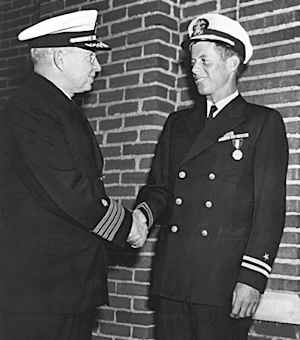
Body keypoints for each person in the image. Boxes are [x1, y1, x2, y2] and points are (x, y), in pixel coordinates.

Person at [135, 13, 289, 340]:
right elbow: (159, 188)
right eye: (192, 61)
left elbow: (269, 209)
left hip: (223, 281)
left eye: (204, 60)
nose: (194, 69)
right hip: (173, 276)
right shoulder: (178, 124)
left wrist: (252, 278)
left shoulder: (262, 123)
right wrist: (141, 217)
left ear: (232, 62)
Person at [0, 10, 147, 340]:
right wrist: (127, 226)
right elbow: (69, 190)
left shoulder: (59, 108)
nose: (98, 65)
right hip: (38, 291)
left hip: (65, 285)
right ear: (61, 57)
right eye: (91, 55)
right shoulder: (30, 109)